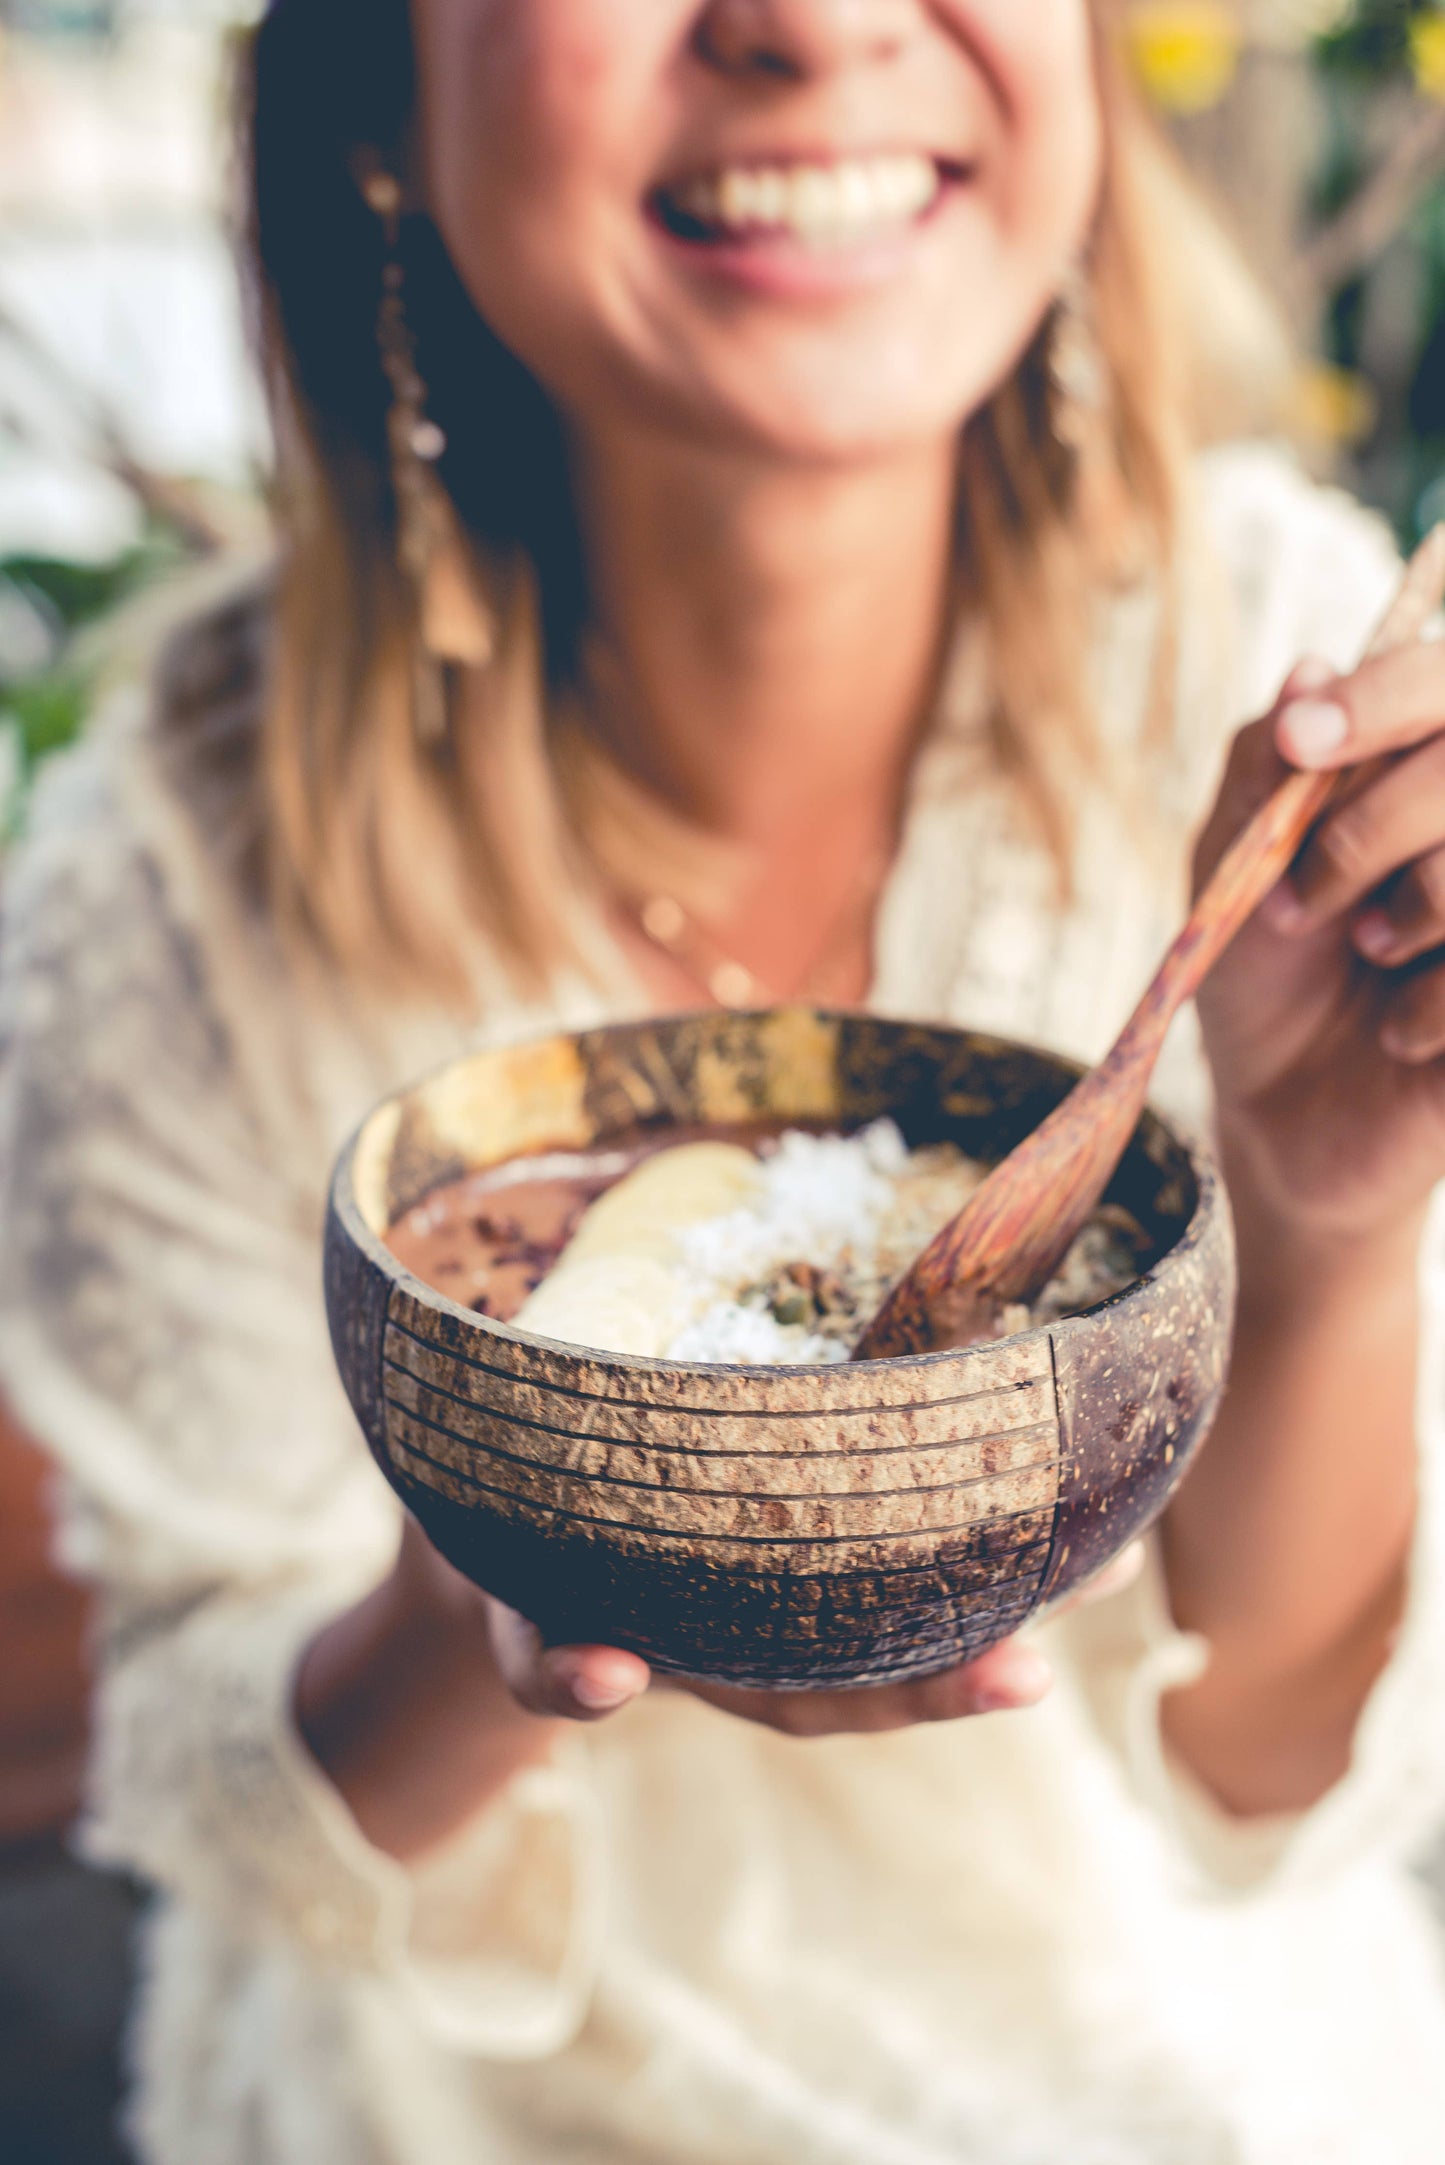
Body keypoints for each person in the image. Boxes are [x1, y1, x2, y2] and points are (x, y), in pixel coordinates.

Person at [3, 0, 1445, 2157]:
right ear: (380, 91)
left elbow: (1273, 1782)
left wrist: (1324, 1229)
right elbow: (219, 1801)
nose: (811, 24)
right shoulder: (187, 859)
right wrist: (476, 1587)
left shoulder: (1293, 690)